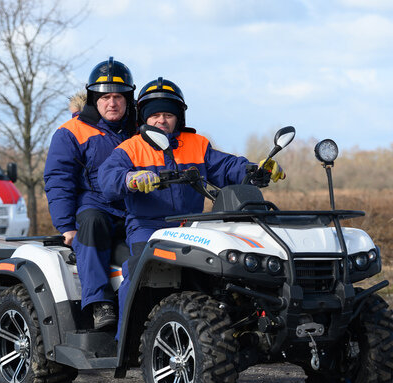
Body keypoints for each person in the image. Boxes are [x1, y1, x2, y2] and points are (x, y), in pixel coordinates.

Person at [98, 77, 284, 334]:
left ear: (179, 118)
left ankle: (230, 329)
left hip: (194, 225)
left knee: (222, 270)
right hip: (148, 226)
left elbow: (227, 167)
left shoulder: (197, 144)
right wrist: (131, 178)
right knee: (139, 269)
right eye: (155, 115)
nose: (161, 120)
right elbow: (107, 178)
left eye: (168, 115)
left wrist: (256, 170)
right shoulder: (131, 148)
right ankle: (126, 338)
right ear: (144, 118)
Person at [43, 57, 137, 329]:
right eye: (105, 97)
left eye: (118, 96)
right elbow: (59, 180)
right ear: (94, 99)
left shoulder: (141, 130)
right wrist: (66, 226)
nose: (112, 103)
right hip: (97, 207)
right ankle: (100, 303)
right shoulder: (70, 132)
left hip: (136, 209)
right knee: (92, 222)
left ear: (128, 99)